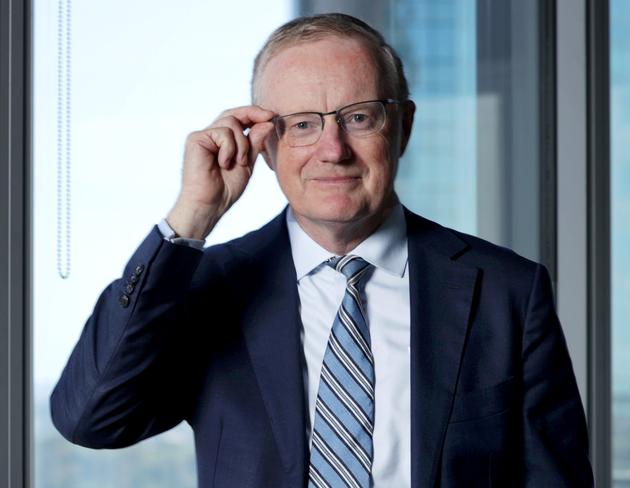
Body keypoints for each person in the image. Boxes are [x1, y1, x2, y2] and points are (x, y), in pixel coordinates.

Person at [51, 13, 594, 488]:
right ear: (264, 144)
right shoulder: (207, 290)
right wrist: (191, 217)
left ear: (401, 126)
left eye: (358, 117)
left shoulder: (508, 291)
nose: (332, 151)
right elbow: (91, 418)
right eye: (302, 125)